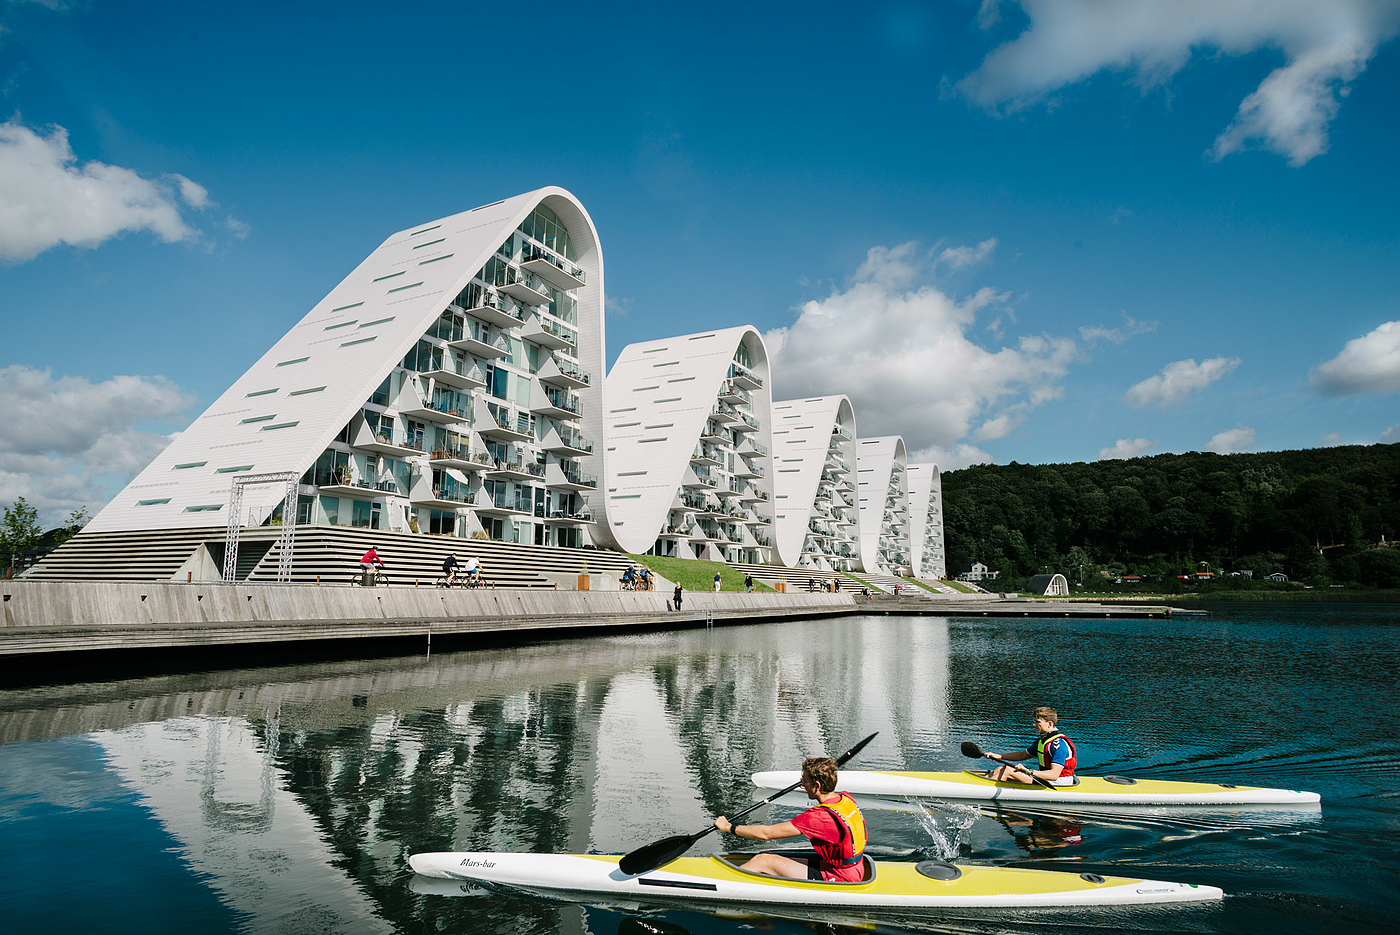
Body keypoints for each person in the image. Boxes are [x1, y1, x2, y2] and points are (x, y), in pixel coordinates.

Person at [714, 756, 867, 882]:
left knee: (763, 860)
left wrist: (729, 827)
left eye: (805, 780)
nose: (802, 783)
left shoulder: (820, 817)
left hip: (839, 877)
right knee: (770, 856)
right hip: (854, 868)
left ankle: (721, 884)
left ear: (817, 786)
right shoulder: (846, 798)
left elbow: (766, 834)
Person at [986, 706, 1077, 786]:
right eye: (1034, 721)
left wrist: (1029, 772)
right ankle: (979, 785)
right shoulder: (1042, 741)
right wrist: (999, 756)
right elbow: (1023, 755)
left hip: (1059, 782)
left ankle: (986, 793)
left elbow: (1054, 775)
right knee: (1000, 769)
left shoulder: (1059, 745)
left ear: (1050, 724)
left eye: (1038, 722)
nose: (1034, 724)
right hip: (1047, 779)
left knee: (1008, 771)